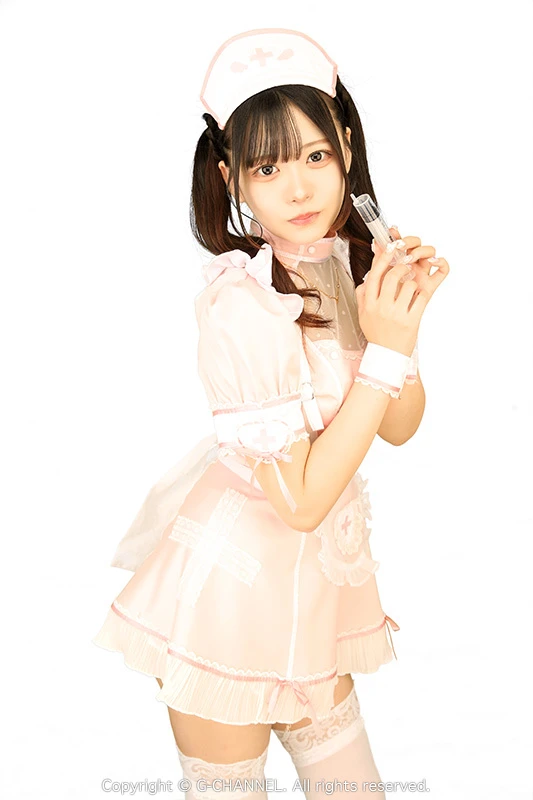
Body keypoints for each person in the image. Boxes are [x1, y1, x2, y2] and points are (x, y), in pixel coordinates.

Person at [92, 28, 449, 800]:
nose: (298, 189)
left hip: (314, 597)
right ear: (231, 177)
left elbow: (398, 425)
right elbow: (301, 502)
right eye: (267, 166)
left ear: (346, 146)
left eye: (315, 156)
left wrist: (399, 323)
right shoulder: (241, 305)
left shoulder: (349, 264)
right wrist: (384, 353)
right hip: (228, 600)